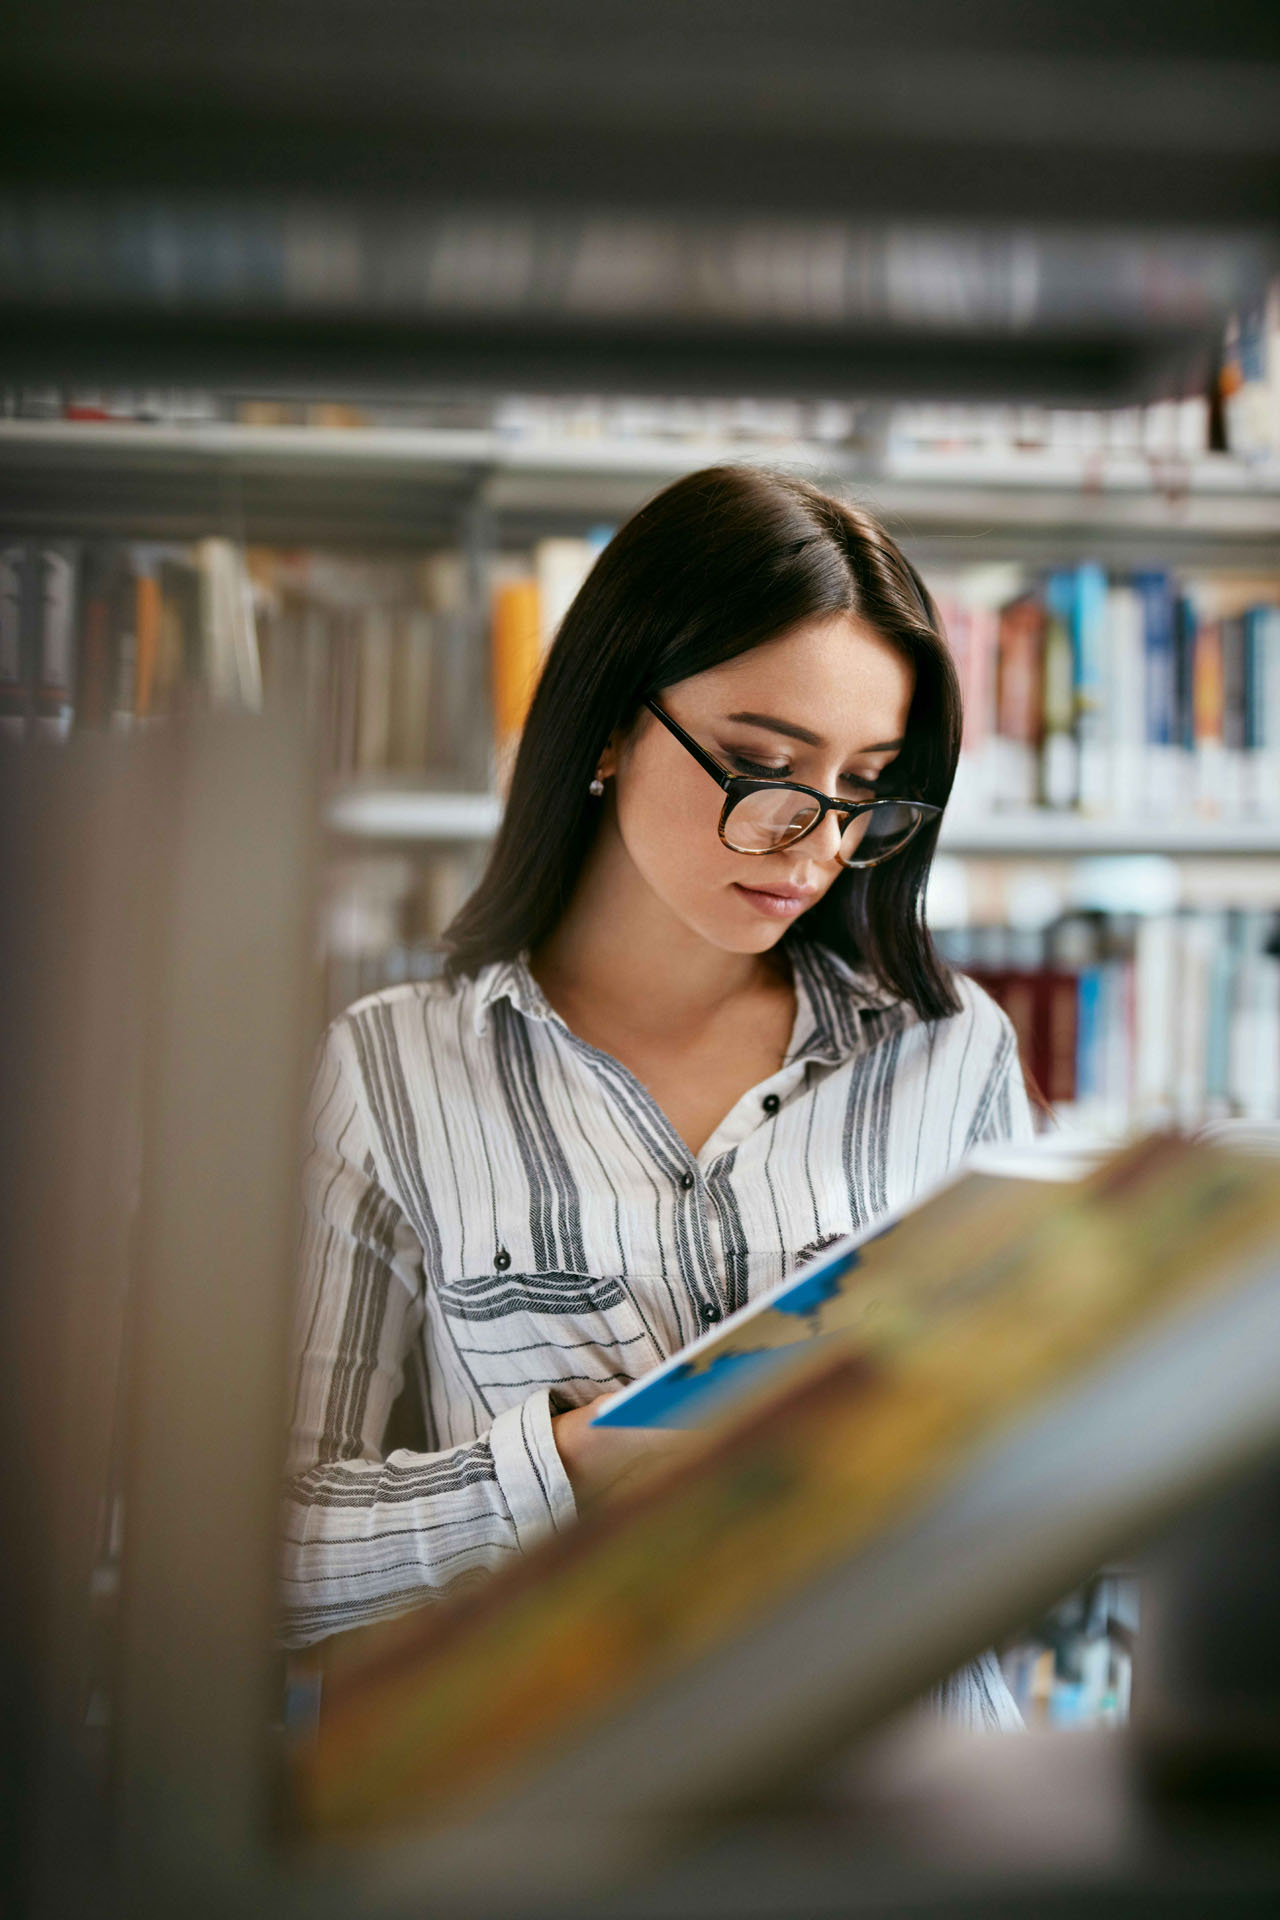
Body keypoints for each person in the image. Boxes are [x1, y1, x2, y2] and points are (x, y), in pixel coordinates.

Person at [280, 466, 1030, 1727]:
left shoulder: (949, 1052)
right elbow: (254, 1559)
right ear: (612, 726)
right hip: (581, 1813)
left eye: (865, 788)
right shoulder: (390, 1075)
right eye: (761, 766)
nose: (818, 844)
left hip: (918, 1799)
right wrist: (560, 1471)